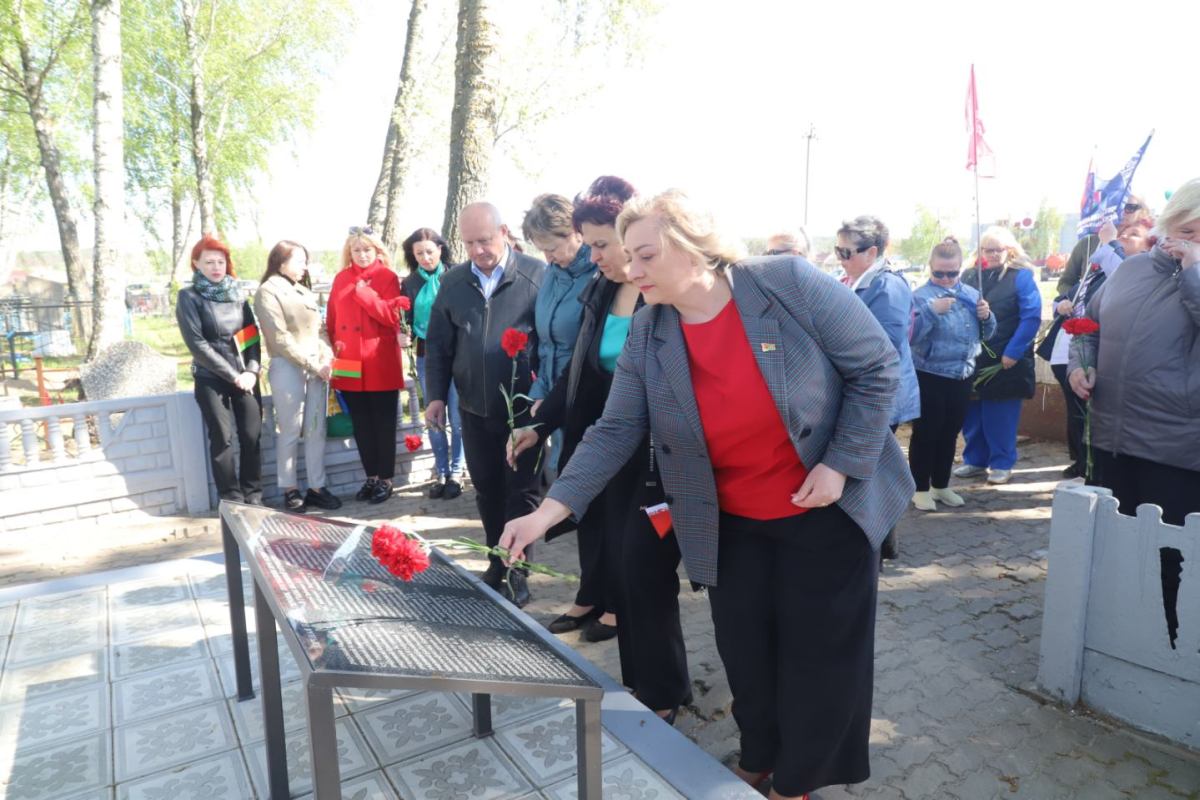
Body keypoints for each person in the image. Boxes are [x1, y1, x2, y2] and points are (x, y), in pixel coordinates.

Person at [501, 190, 914, 799]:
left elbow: (876, 368)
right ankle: (760, 752)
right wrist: (547, 512)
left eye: (646, 255)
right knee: (745, 651)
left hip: (824, 509)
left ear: (693, 246)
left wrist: (840, 465)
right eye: (629, 256)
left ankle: (798, 778)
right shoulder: (651, 329)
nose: (631, 269)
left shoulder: (786, 283)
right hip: (729, 520)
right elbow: (615, 429)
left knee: (818, 656)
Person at [511, 177, 693, 721]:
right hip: (609, 451)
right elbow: (581, 373)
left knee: (645, 571)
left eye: (600, 245)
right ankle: (642, 684)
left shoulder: (666, 296)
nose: (594, 257)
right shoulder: (600, 291)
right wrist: (540, 423)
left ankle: (663, 691)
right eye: (588, 245)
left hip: (660, 460)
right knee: (623, 570)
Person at [424, 202, 545, 607]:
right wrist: (436, 395)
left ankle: (518, 571)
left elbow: (550, 343)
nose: (477, 250)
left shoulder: (536, 276)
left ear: (504, 232)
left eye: (485, 240)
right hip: (474, 409)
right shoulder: (453, 282)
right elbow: (439, 345)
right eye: (469, 243)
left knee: (521, 493)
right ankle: (497, 561)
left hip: (523, 412)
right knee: (488, 489)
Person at [1069, 178, 1200, 525]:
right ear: (1168, 225)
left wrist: (1194, 273)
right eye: (1187, 230)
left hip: (1177, 452)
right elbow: (1088, 328)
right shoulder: (1131, 268)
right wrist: (1079, 366)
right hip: (1110, 440)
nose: (1194, 242)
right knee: (1112, 544)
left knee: (1169, 551)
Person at [835, 215, 919, 558]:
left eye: (846, 252)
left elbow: (881, 346)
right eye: (838, 250)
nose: (840, 258)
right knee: (869, 469)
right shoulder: (858, 281)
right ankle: (877, 539)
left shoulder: (887, 286)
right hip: (868, 393)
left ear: (871, 252)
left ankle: (880, 540)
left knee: (872, 471)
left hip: (880, 396)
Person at [1040, 218, 1151, 478]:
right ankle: (1082, 461)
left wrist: (1110, 242)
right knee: (1077, 412)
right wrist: (1060, 305)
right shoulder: (1097, 273)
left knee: (1093, 416)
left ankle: (1092, 465)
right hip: (1073, 351)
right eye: (1122, 232)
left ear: (1150, 244)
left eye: (1134, 234)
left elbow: (1124, 282)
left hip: (1110, 358)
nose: (1124, 236)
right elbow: (1067, 295)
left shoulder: (1135, 272)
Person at [908, 237, 996, 510]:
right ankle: (919, 488)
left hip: (962, 375)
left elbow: (987, 335)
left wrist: (987, 316)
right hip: (930, 374)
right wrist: (930, 312)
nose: (946, 279)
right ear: (930, 267)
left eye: (952, 273)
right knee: (926, 434)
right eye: (939, 273)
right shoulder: (920, 296)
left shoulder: (970, 293)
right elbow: (910, 336)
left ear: (960, 268)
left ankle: (941, 485)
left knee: (949, 433)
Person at [254, 240, 342, 512]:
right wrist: (312, 364)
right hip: (288, 367)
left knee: (316, 429)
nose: (305, 266)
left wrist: (326, 356)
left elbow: (320, 330)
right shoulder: (268, 291)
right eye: (299, 260)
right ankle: (289, 488)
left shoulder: (304, 291)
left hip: (317, 368)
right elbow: (279, 337)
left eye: (306, 261)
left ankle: (317, 487)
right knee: (290, 429)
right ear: (281, 262)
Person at [176, 235, 263, 505]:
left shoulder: (237, 294)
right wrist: (233, 376)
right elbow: (198, 344)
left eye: (220, 262)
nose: (216, 267)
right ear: (196, 264)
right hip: (211, 377)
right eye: (209, 262)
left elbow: (252, 336)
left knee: (252, 436)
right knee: (222, 439)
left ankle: (253, 494)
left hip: (245, 377)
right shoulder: (189, 297)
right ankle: (231, 498)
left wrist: (252, 371)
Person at [953, 227, 1042, 485]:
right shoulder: (970, 275)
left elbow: (1031, 317)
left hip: (1005, 357)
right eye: (987, 249)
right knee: (972, 412)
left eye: (997, 249)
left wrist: (1013, 351)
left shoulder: (1020, 277)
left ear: (1009, 250)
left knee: (999, 414)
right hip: (973, 357)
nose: (992, 254)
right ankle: (975, 460)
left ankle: (1002, 463)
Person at [326, 226, 405, 505]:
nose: (362, 255)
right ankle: (371, 476)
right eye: (356, 250)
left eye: (367, 249)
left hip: (378, 358)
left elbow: (392, 317)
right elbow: (332, 320)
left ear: (377, 250)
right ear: (349, 252)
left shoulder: (387, 276)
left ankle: (386, 479)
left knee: (383, 423)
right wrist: (334, 351)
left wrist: (366, 294)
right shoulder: (340, 278)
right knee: (360, 424)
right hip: (348, 359)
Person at [522, 194, 596, 472]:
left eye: (552, 248)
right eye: (542, 250)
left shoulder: (600, 274)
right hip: (555, 399)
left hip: (586, 401)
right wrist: (542, 391)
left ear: (575, 233)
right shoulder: (552, 273)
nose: (547, 257)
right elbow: (547, 344)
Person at [400, 227, 464, 500]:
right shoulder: (410, 283)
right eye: (419, 254)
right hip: (427, 355)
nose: (425, 258)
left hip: (459, 355)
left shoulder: (457, 275)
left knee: (458, 417)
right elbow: (406, 319)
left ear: (440, 249)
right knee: (434, 417)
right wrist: (403, 334)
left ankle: (457, 472)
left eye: (429, 251)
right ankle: (441, 472)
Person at [1055, 195, 1152, 298]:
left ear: (1141, 212)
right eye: (1115, 205)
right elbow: (1065, 282)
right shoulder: (1088, 243)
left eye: (1129, 207)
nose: (1121, 210)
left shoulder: (1146, 243)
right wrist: (1071, 299)